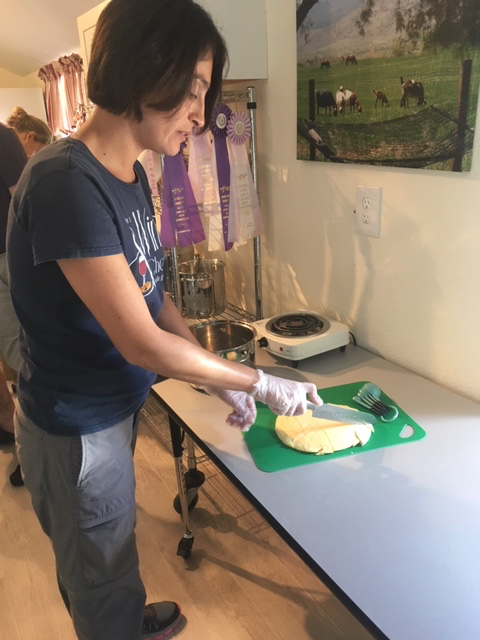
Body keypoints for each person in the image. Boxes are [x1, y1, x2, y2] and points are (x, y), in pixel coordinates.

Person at [7, 1, 323, 639]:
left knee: (110, 546)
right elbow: (141, 341)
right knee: (97, 565)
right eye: (193, 90)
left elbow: (154, 298)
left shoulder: (125, 175)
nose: (201, 115)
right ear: (142, 69)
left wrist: (214, 380)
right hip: (76, 429)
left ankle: (122, 615)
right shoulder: (65, 182)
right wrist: (253, 381)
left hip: (108, 411)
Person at [0, 107, 52, 487]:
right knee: (16, 354)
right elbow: (25, 201)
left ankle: (33, 445)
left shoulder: (3, 137)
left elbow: (22, 200)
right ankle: (31, 446)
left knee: (19, 354)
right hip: (8, 260)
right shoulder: (4, 137)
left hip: (8, 259)